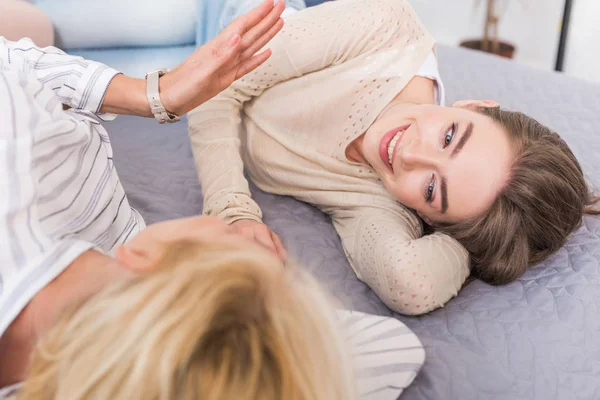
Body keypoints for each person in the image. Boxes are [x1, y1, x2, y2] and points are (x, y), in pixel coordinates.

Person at [188, 0, 599, 316]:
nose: (409, 153)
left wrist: (477, 242)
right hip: (254, 18)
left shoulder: (379, 206)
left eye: (433, 187)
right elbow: (213, 87)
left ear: (435, 222)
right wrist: (233, 211)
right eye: (450, 135)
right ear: (474, 105)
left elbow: (412, 284)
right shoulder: (386, 28)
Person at [0, 0, 287, 388]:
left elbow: (11, 59)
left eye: (224, 242)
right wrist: (156, 95)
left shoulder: (10, 140)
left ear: (145, 259)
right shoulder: (97, 344)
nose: (226, 231)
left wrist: (152, 94)